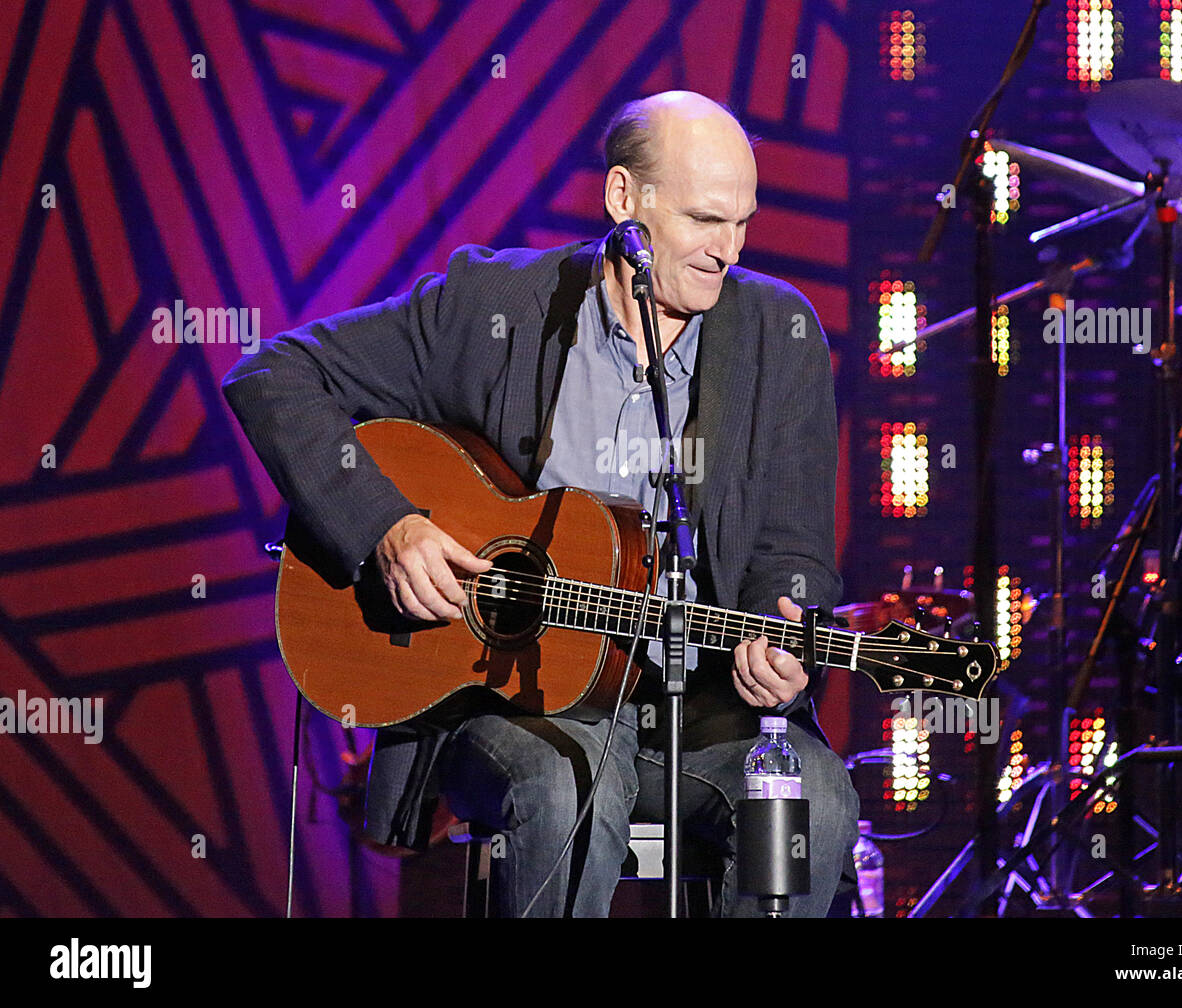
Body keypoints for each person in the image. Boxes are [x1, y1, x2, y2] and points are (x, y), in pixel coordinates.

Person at [224, 90, 860, 916]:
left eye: (743, 223)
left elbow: (793, 556)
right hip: (511, 705)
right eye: (706, 220)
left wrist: (786, 634)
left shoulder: (782, 336)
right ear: (625, 198)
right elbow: (272, 376)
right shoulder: (493, 306)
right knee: (568, 785)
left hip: (698, 711)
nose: (727, 251)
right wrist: (387, 527)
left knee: (812, 799)